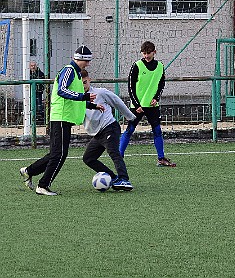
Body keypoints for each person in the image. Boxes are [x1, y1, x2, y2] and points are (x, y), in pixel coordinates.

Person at [19, 45, 101, 196]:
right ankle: (43, 186)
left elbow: (74, 98)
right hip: (60, 117)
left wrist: (92, 105)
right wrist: (84, 97)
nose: (88, 64)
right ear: (81, 59)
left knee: (57, 154)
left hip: (65, 118)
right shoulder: (69, 70)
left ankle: (29, 171)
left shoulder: (75, 73)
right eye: (87, 61)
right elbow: (61, 90)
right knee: (59, 154)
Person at [119, 41, 176, 167]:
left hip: (152, 106)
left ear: (154, 52)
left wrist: (156, 98)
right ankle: (119, 157)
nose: (146, 56)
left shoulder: (160, 66)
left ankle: (161, 159)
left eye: (148, 53)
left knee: (157, 131)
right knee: (129, 130)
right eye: (144, 53)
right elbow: (130, 86)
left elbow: (161, 84)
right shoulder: (137, 66)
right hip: (137, 106)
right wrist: (136, 103)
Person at [81, 69, 136, 191]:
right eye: (80, 84)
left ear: (89, 80)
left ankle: (124, 179)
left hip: (109, 127)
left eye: (85, 82)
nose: (83, 86)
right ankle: (112, 177)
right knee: (88, 158)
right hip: (97, 134)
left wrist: (130, 117)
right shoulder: (79, 99)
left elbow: (117, 102)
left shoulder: (100, 93)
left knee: (113, 152)